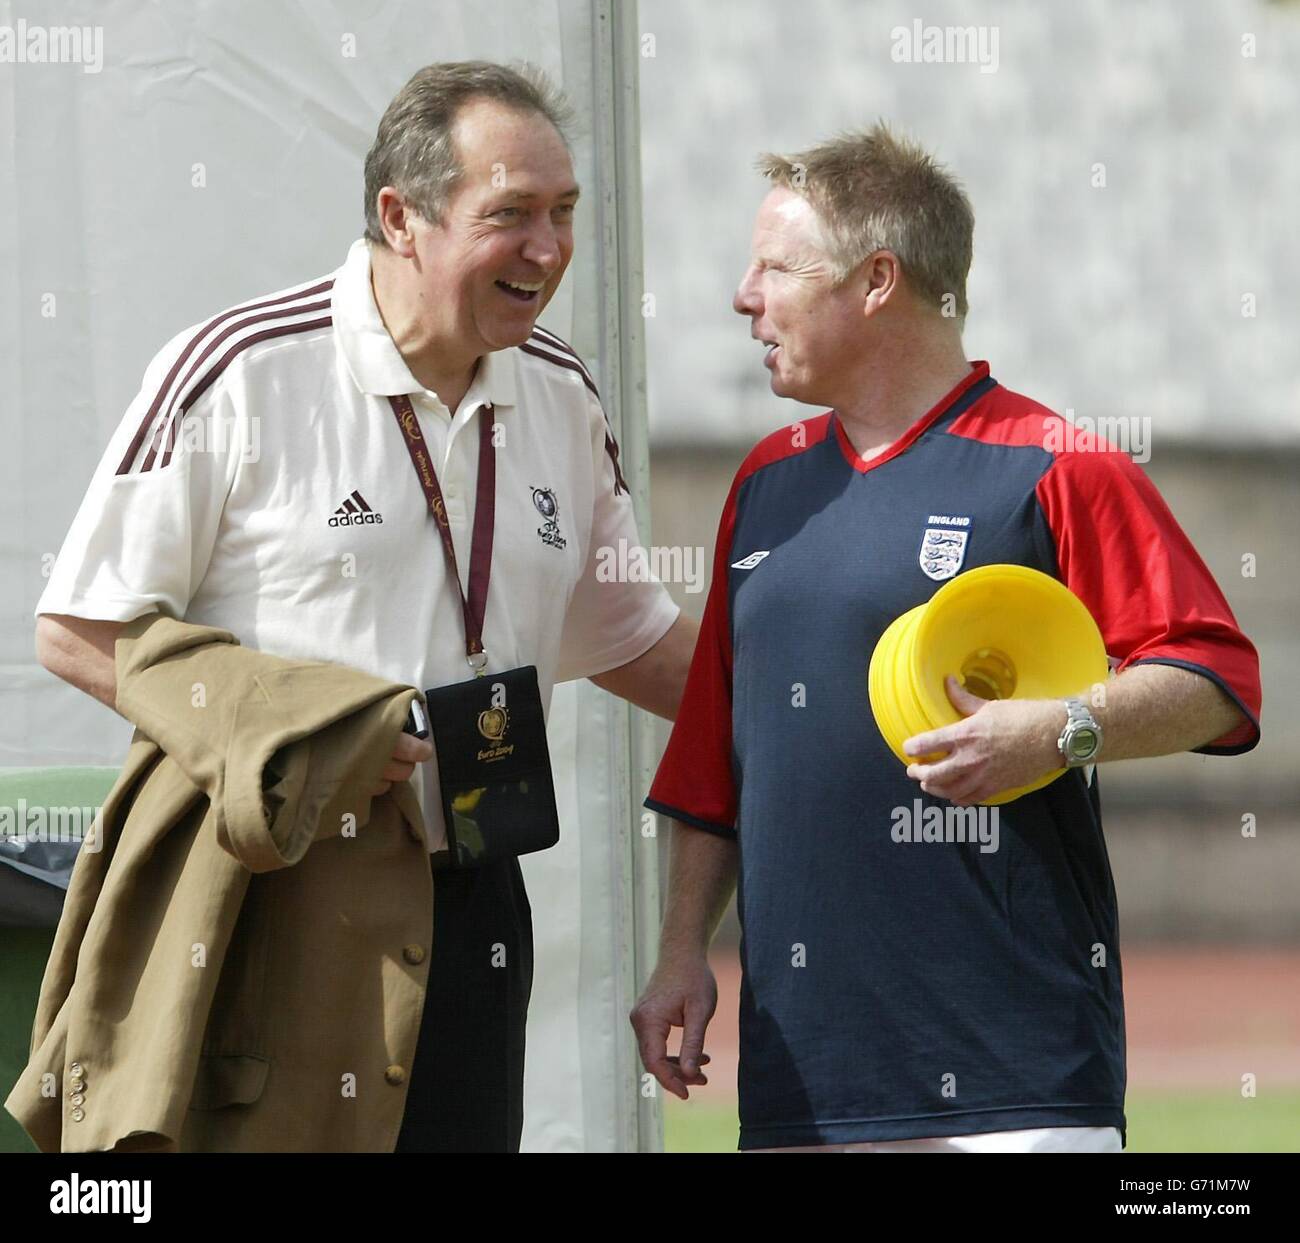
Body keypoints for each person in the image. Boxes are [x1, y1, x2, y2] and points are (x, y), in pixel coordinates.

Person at [35, 60, 697, 1153]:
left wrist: (834, 702)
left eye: (565, 212)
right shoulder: (241, 371)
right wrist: (300, 731)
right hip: (281, 890)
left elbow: (639, 644)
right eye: (511, 215)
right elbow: (80, 628)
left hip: (480, 890)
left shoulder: (562, 393)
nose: (549, 248)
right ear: (402, 217)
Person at [631, 123, 1261, 1153]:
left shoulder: (1054, 464)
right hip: (806, 1082)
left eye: (774, 269)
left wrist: (1063, 729)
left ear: (876, 280)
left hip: (1018, 1087)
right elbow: (713, 757)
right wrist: (678, 951)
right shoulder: (762, 482)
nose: (744, 296)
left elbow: (1217, 678)